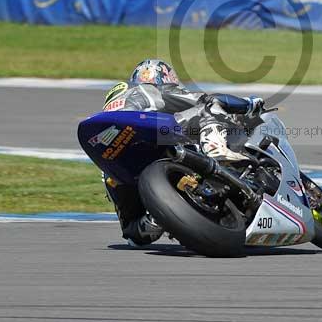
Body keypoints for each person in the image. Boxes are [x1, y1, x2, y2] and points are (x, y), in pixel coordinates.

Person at [100, 59, 264, 246]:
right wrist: (250, 105)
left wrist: (158, 217)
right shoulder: (155, 90)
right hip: (153, 133)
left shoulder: (120, 101)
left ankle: (158, 217)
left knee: (130, 222)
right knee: (208, 108)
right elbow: (209, 99)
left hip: (116, 155)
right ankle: (217, 151)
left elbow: (133, 237)